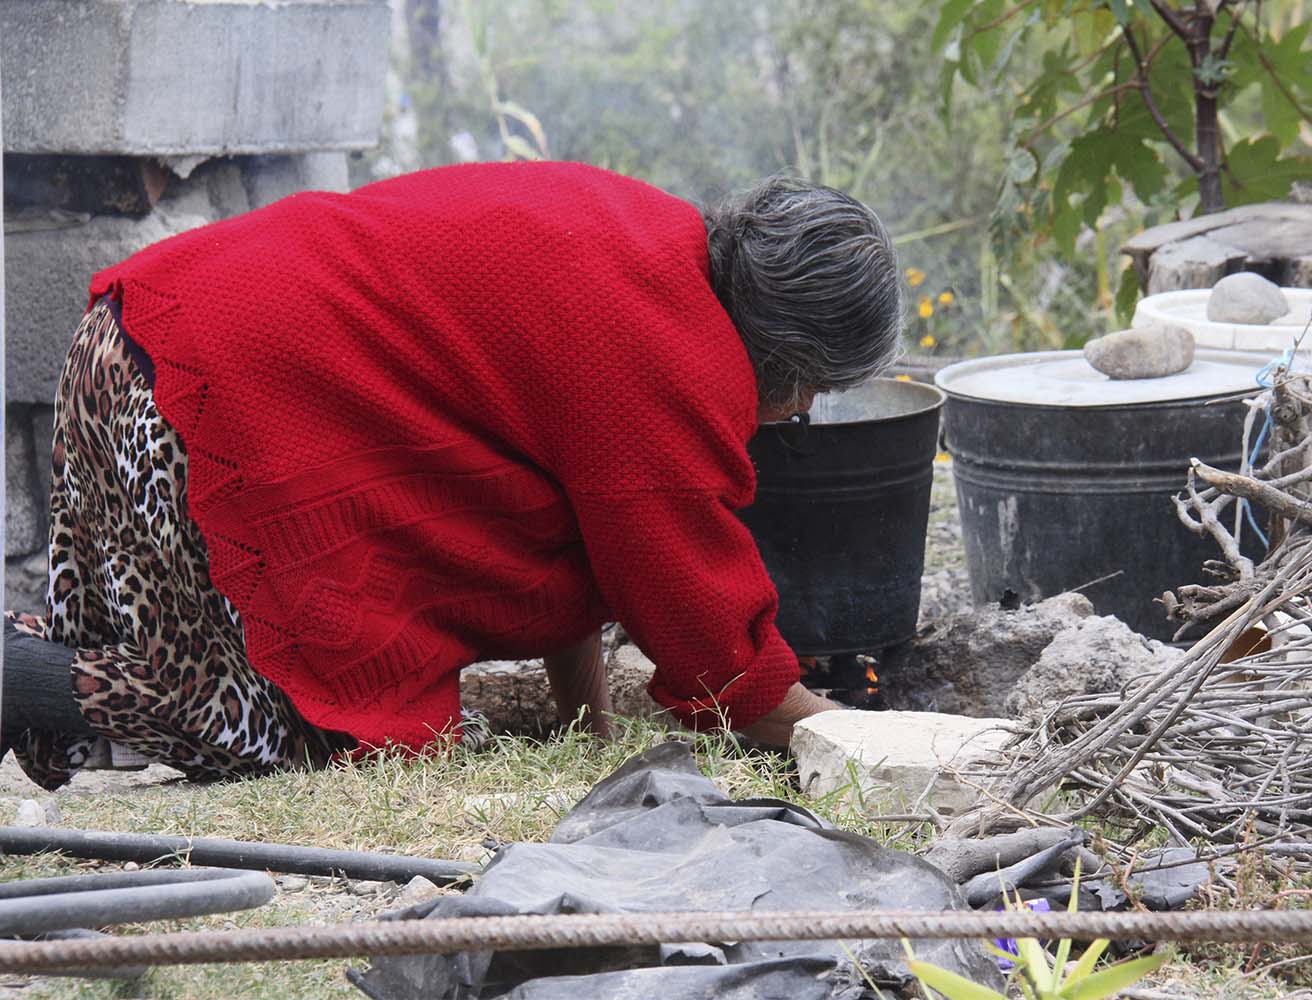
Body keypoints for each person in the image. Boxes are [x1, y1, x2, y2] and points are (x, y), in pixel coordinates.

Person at [1, 160, 903, 789]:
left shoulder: (652, 244)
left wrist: (585, 727)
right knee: (252, 729)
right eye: (815, 388)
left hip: (143, 339)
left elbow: (586, 537)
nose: (803, 413)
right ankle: (9, 669)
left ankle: (29, 667)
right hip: (186, 393)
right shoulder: (672, 361)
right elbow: (709, 641)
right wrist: (861, 736)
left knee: (147, 651)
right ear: (786, 349)